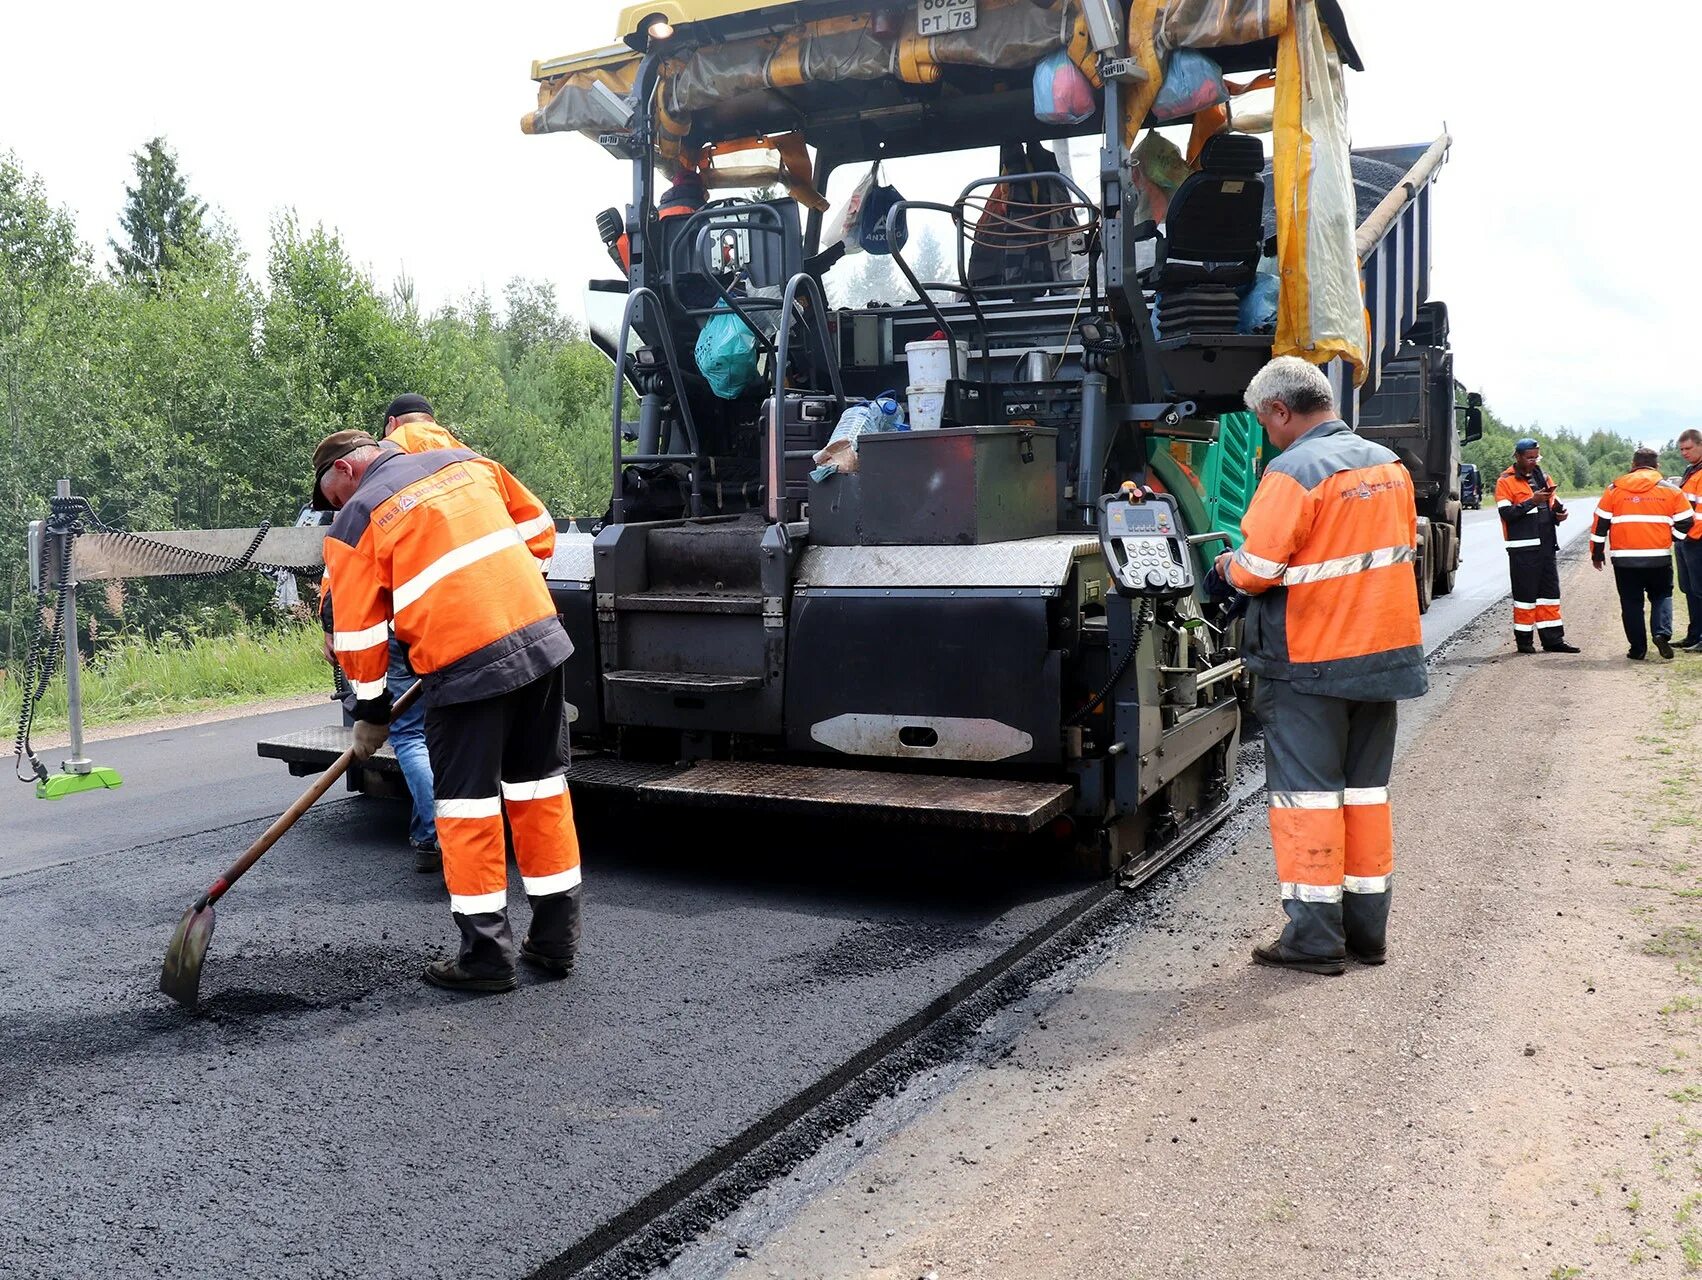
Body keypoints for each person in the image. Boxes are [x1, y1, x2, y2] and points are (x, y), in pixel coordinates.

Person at [311, 428, 581, 993]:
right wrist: (500, 587)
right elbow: (538, 530)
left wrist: (371, 711)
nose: (332, 509)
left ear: (344, 470)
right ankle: (555, 942)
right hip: (539, 639)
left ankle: (486, 958)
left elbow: (358, 633)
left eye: (328, 497)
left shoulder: (357, 517)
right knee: (539, 793)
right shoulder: (466, 462)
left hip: (465, 663)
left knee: (466, 809)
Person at [1214, 356, 1428, 976]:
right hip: (1381, 659)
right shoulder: (1388, 466)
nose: (1265, 433)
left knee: (1308, 800)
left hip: (1311, 665)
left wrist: (1224, 569)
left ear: (1281, 411)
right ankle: (1366, 935)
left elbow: (1256, 570)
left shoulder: (1294, 470)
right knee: (1364, 798)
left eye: (1264, 421)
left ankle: (1313, 941)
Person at [1591, 447, 1697, 659]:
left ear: (1633, 465)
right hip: (1658, 557)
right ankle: (1661, 633)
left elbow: (1600, 524)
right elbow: (1687, 520)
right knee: (1662, 595)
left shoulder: (1613, 490)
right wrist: (1673, 537)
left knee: (1631, 602)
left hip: (1624, 559)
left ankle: (1637, 650)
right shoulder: (1671, 491)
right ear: (1657, 466)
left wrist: (1597, 553)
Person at [1494, 438, 1580, 654]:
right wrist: (1532, 500)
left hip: (1546, 546)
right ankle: (1524, 643)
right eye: (1529, 457)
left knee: (1549, 595)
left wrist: (1559, 515)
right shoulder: (1505, 481)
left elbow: (1552, 506)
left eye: (1536, 457)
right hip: (1523, 549)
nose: (1533, 461)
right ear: (1518, 456)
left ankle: (1553, 641)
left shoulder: (1544, 477)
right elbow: (1507, 514)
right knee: (1525, 597)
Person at [1675, 428, 1702, 652]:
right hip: (1685, 540)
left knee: (1700, 589)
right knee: (1689, 589)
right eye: (1681, 449)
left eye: (1688, 448)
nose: (1684, 453)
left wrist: (1691, 536)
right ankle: (1694, 636)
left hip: (1698, 539)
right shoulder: (1691, 470)